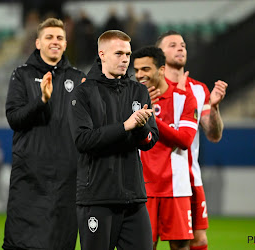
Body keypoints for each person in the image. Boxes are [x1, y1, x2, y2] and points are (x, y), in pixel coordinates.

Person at [68, 30, 159, 250]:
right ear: (102, 54)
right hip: (97, 199)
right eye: (119, 53)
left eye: (128, 54)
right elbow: (83, 140)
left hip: (133, 199)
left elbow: (149, 141)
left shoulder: (139, 91)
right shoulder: (83, 93)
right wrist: (125, 126)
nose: (125, 59)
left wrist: (140, 128)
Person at [3, 18, 86, 250]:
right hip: (30, 176)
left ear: (66, 43)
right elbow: (14, 119)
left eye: (59, 37)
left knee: (62, 242)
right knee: (21, 242)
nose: (55, 42)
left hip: (66, 178)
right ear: (38, 42)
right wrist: (41, 100)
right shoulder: (21, 75)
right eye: (49, 37)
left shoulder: (79, 79)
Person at [156, 30, 228, 250]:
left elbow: (213, 135)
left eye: (183, 45)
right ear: (159, 55)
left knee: (197, 241)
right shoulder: (148, 89)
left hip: (189, 178)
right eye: (173, 45)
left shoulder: (198, 90)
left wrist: (214, 108)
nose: (180, 48)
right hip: (154, 179)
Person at [133, 46, 199, 250]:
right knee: (144, 246)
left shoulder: (184, 98)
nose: (139, 75)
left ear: (161, 70)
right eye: (136, 70)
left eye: (145, 69)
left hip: (175, 189)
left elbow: (185, 140)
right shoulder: (132, 99)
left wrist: (151, 116)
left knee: (180, 246)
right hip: (142, 188)